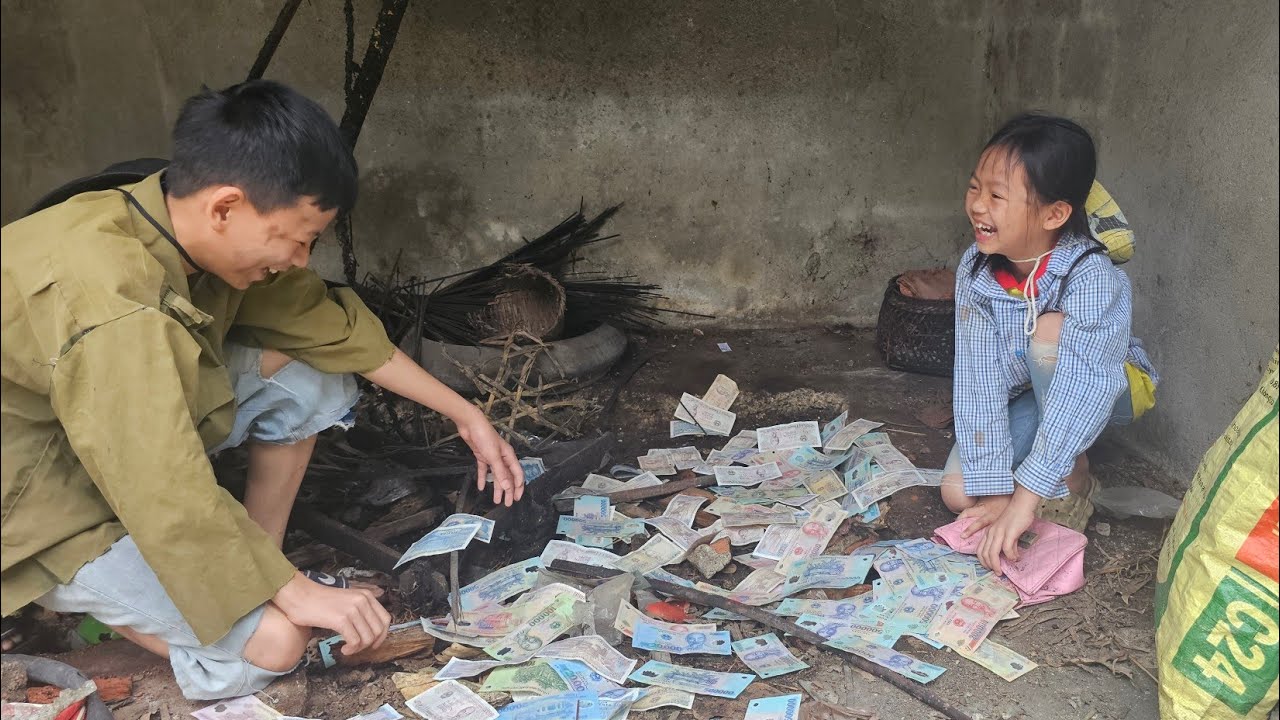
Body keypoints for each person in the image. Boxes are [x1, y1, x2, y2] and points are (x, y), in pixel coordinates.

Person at [0, 80, 526, 699]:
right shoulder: (109, 302)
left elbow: (329, 328)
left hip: (110, 443)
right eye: (297, 238)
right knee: (273, 647)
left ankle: (248, 566)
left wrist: (467, 415)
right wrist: (292, 591)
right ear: (225, 206)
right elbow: (157, 479)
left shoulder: (173, 220)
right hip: (37, 498)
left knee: (309, 381)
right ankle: (97, 603)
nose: (301, 259)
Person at [939, 113, 1158, 571]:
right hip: (1033, 392)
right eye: (975, 188)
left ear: (1054, 213)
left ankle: (1075, 470)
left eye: (997, 195)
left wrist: (1025, 500)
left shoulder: (1092, 277)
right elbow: (977, 379)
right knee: (960, 494)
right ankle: (1048, 464)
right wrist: (999, 495)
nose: (978, 206)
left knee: (1050, 330)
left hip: (1107, 387)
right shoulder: (976, 269)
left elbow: (1084, 386)